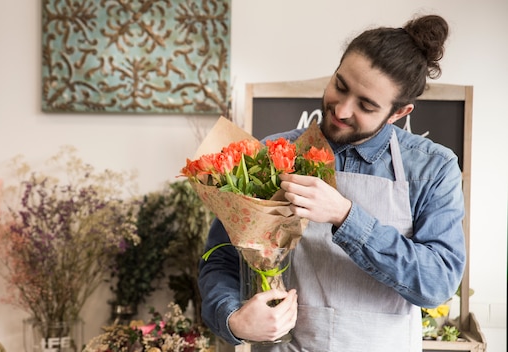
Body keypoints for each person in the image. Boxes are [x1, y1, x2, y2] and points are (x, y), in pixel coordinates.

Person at [198, 14, 466, 352]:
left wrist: (346, 216)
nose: (341, 110)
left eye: (366, 105)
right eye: (340, 85)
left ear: (399, 113)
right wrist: (233, 318)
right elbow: (220, 257)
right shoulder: (271, 154)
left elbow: (438, 283)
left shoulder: (433, 168)